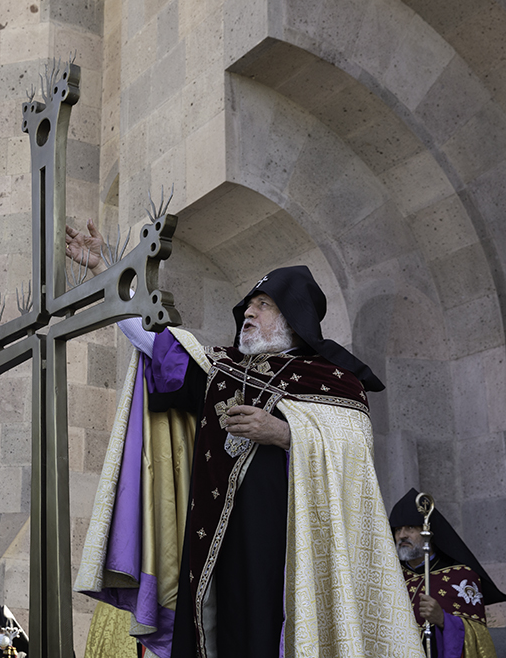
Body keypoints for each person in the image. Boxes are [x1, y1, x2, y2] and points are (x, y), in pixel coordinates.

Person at [67, 221, 424, 658]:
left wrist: (286, 432)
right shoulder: (223, 370)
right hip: (216, 549)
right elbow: (154, 342)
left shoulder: (334, 381)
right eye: (248, 305)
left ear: (294, 317)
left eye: (263, 304)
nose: (249, 313)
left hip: (291, 551)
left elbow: (353, 450)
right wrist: (105, 271)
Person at [390, 488, 503, 657]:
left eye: (410, 527)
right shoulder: (390, 578)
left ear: (429, 532)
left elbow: (479, 638)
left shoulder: (461, 577)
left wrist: (443, 620)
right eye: (398, 530)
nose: (402, 535)